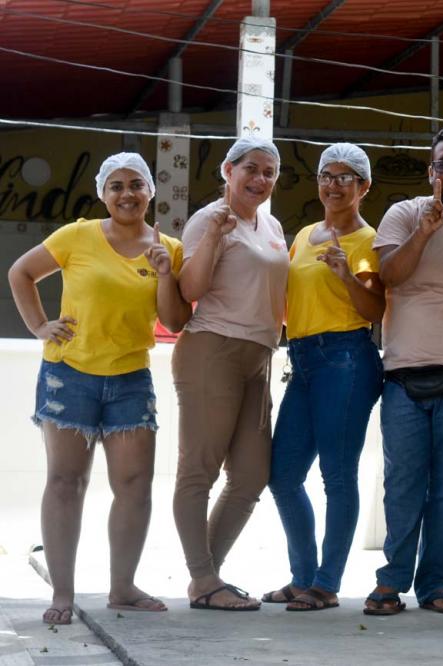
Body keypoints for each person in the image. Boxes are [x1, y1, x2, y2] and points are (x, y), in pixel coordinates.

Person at [8, 152, 190, 625]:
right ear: (102, 193)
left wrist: (167, 273)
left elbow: (175, 320)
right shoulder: (77, 235)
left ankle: (122, 588)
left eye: (135, 184)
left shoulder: (168, 248)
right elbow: (20, 273)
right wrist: (39, 326)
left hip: (130, 378)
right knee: (66, 482)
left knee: (134, 485)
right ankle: (63, 594)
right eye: (116, 186)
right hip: (69, 375)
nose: (126, 193)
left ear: (151, 191)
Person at [360, 126, 443, 616]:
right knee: (403, 484)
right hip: (403, 377)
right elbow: (389, 276)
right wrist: (426, 230)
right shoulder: (405, 213)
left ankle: (437, 585)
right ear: (429, 171)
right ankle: (390, 582)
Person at [262, 144, 385, 612]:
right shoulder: (305, 234)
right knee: (283, 475)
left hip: (347, 359)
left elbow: (376, 311)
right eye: (325, 175)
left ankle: (326, 583)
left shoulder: (370, 242)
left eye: (345, 176)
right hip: (304, 359)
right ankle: (302, 577)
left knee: (337, 475)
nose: (333, 184)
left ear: (363, 187)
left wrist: (347, 275)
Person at [173, 137, 288, 611]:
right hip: (212, 349)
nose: (260, 180)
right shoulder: (209, 218)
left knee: (250, 475)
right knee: (198, 468)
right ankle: (203, 578)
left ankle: (208, 578)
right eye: (252, 169)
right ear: (228, 170)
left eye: (270, 173)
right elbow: (189, 290)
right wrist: (217, 237)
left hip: (259, 358)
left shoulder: (273, 223)